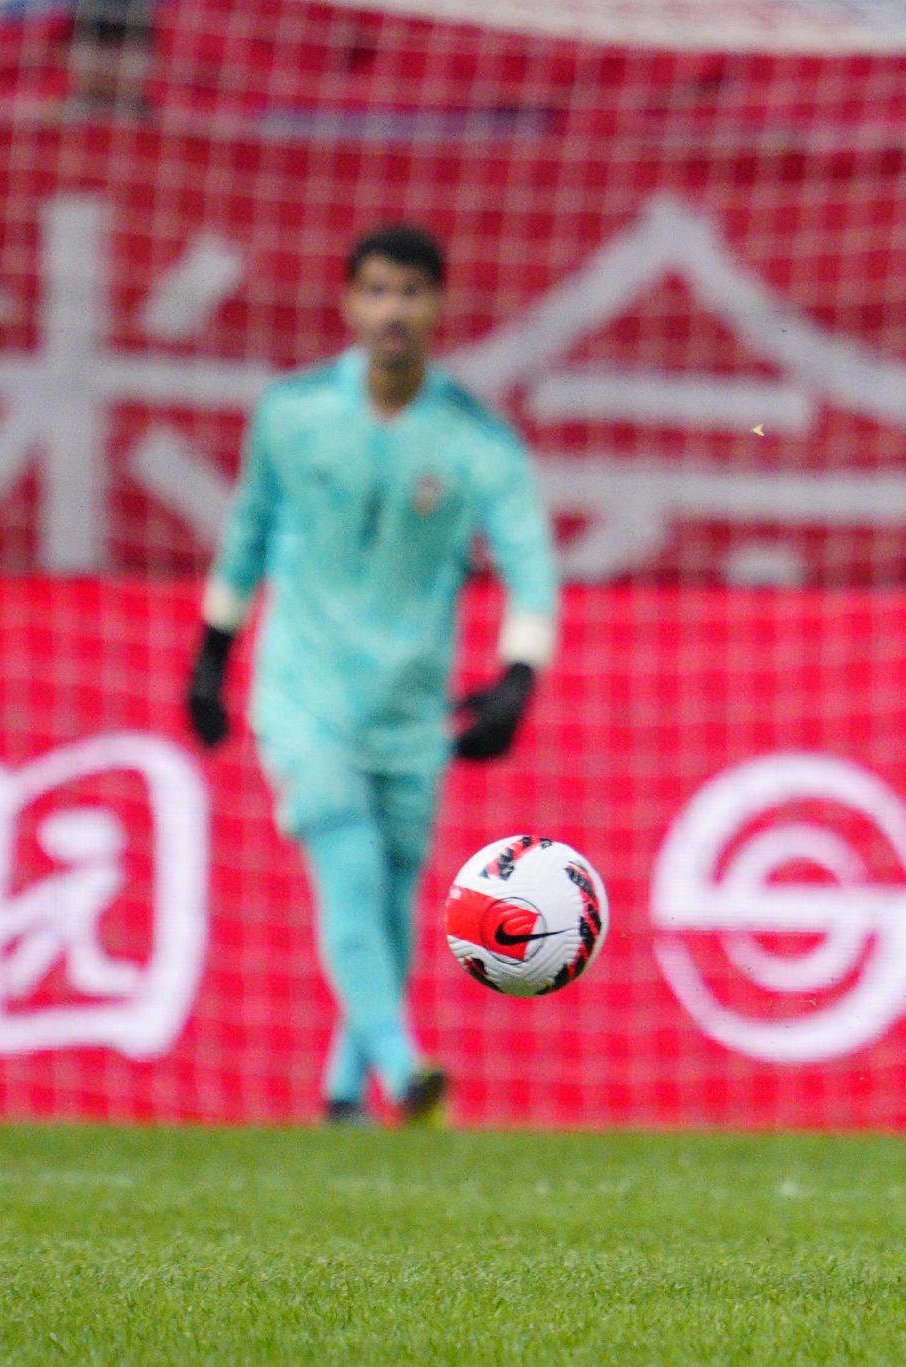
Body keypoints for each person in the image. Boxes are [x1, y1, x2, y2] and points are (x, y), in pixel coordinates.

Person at [188, 224, 559, 1126]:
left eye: (412, 293)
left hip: (407, 707)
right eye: (379, 291)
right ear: (351, 303)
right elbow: (244, 539)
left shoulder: (478, 444)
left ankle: (345, 1092)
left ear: (439, 306)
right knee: (349, 870)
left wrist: (518, 673)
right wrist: (212, 655)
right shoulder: (292, 413)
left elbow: (531, 565)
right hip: (304, 693)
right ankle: (402, 1067)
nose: (395, 310)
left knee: (393, 901)